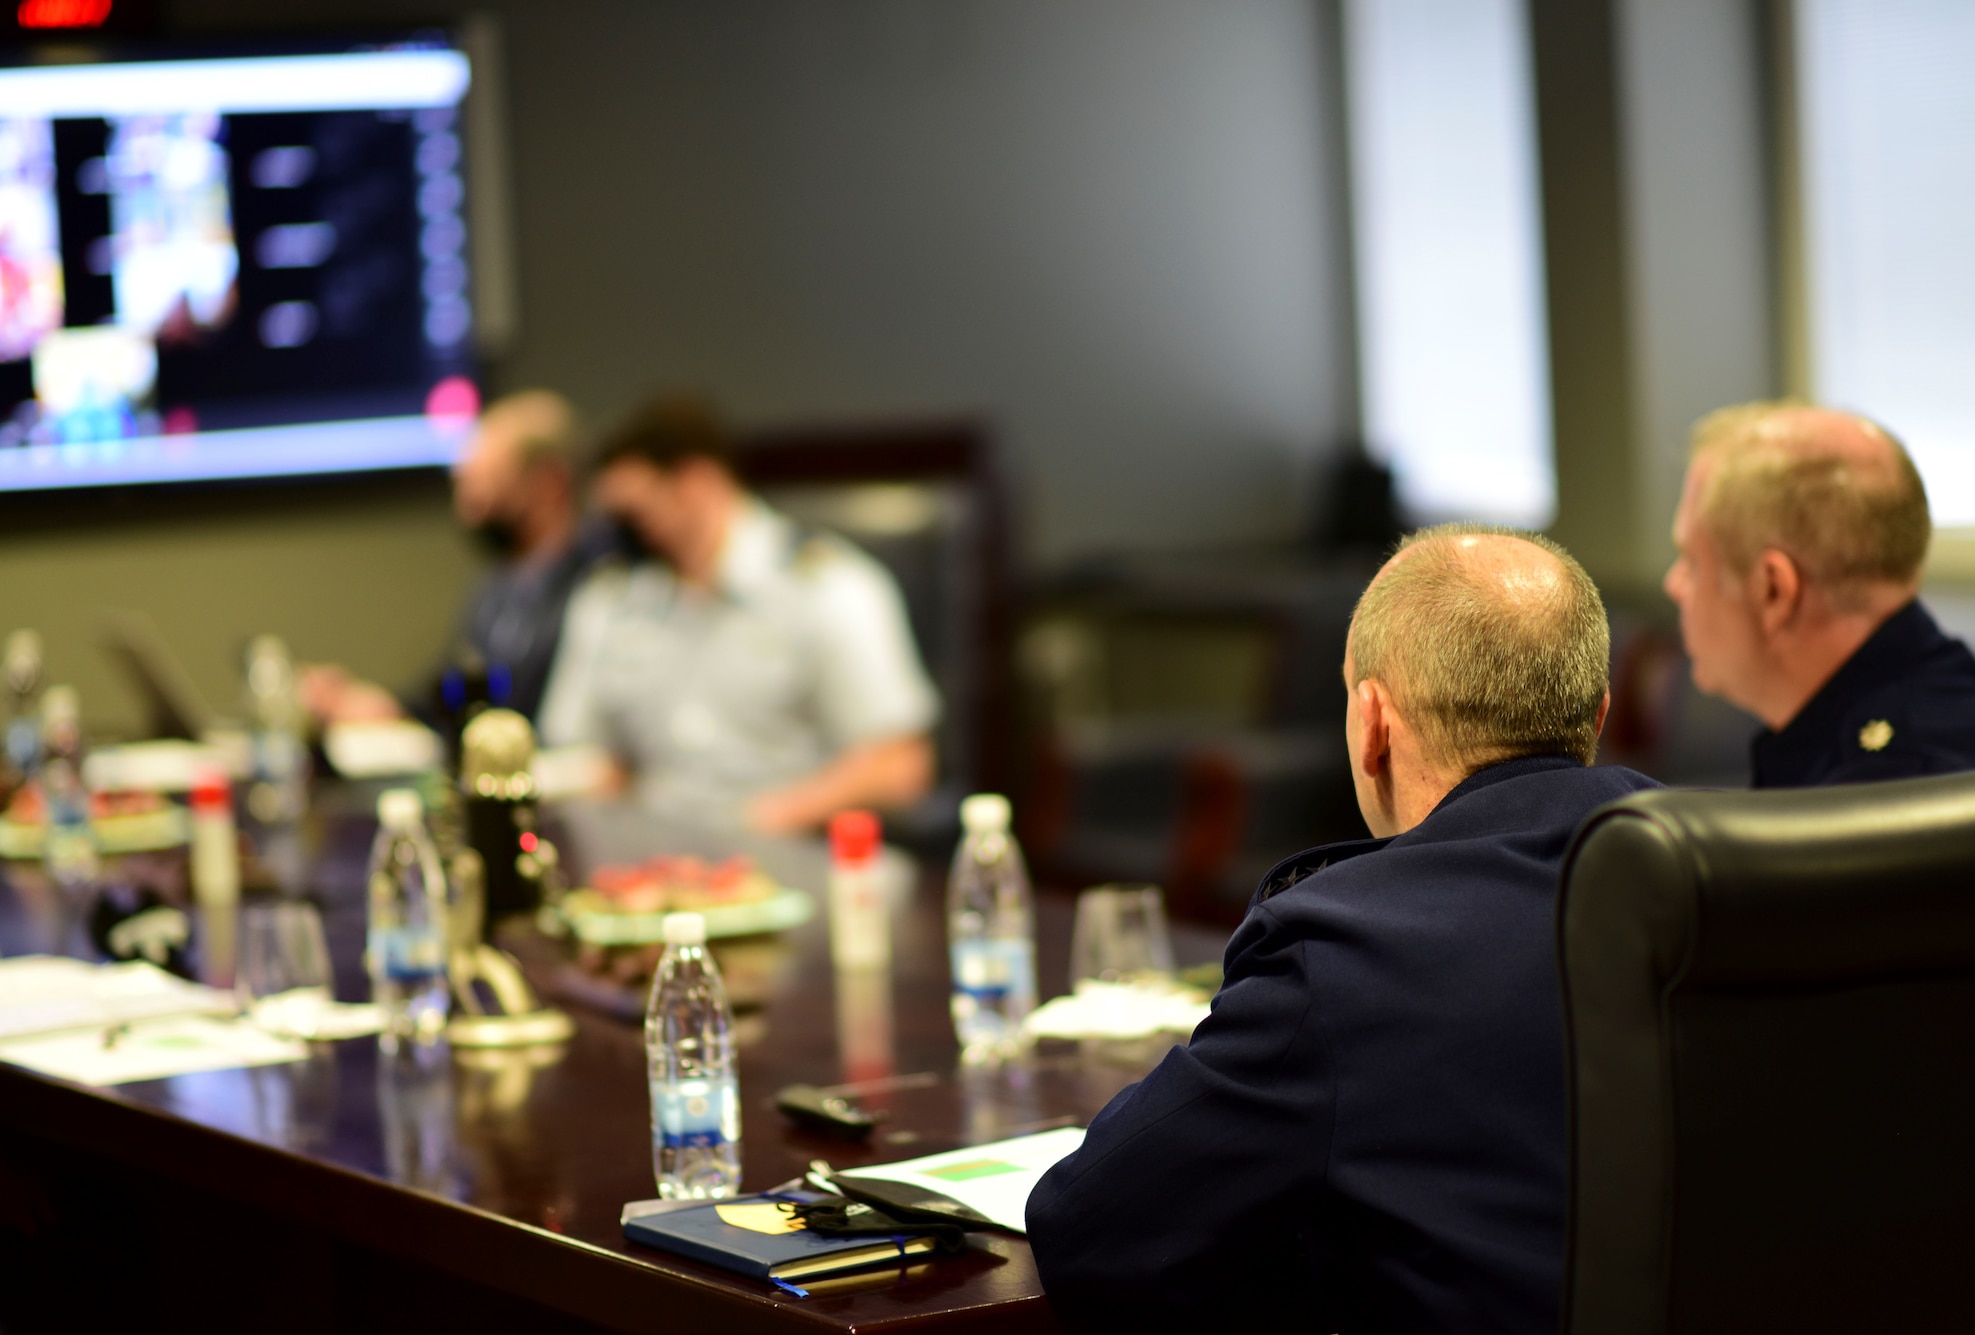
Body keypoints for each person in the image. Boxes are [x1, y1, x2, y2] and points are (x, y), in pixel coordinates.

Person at [1024, 524, 1657, 1334]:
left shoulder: (1347, 947)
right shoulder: (1735, 879)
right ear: (1597, 711)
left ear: (1372, 721)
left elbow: (1094, 1226)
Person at [536, 395, 938, 833]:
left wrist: (764, 822)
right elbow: (589, 757)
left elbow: (899, 766)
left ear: (698, 482)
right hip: (648, 863)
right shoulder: (610, 598)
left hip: (786, 854)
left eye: (637, 512)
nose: (623, 533)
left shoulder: (827, 587)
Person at [1662, 400, 1975, 787]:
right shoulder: (1949, 719)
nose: (1673, 584)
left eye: (1692, 561)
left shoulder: (1872, 804)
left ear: (1774, 592)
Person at [302, 389, 604, 726]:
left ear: (549, 483)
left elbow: (524, 705)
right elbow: (459, 690)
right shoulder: (497, 587)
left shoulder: (605, 586)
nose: (468, 510)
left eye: (486, 484)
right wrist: (387, 707)